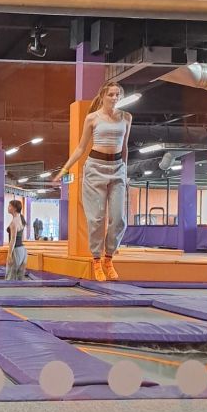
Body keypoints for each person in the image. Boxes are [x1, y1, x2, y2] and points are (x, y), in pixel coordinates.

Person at [54, 82, 131, 282]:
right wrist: (64, 169)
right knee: (96, 218)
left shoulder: (126, 117)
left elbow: (124, 147)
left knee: (119, 218)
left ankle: (109, 258)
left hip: (117, 168)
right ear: (103, 96)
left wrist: (124, 171)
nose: (114, 98)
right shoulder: (92, 118)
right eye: (111, 94)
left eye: (117, 95)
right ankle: (96, 259)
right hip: (95, 168)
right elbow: (81, 148)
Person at [5, 199, 27, 280]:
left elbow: (13, 240)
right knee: (19, 278)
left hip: (16, 250)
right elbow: (20, 235)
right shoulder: (21, 217)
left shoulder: (14, 222)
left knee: (10, 277)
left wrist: (9, 255)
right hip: (23, 250)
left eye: (9, 206)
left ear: (14, 208)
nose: (8, 207)